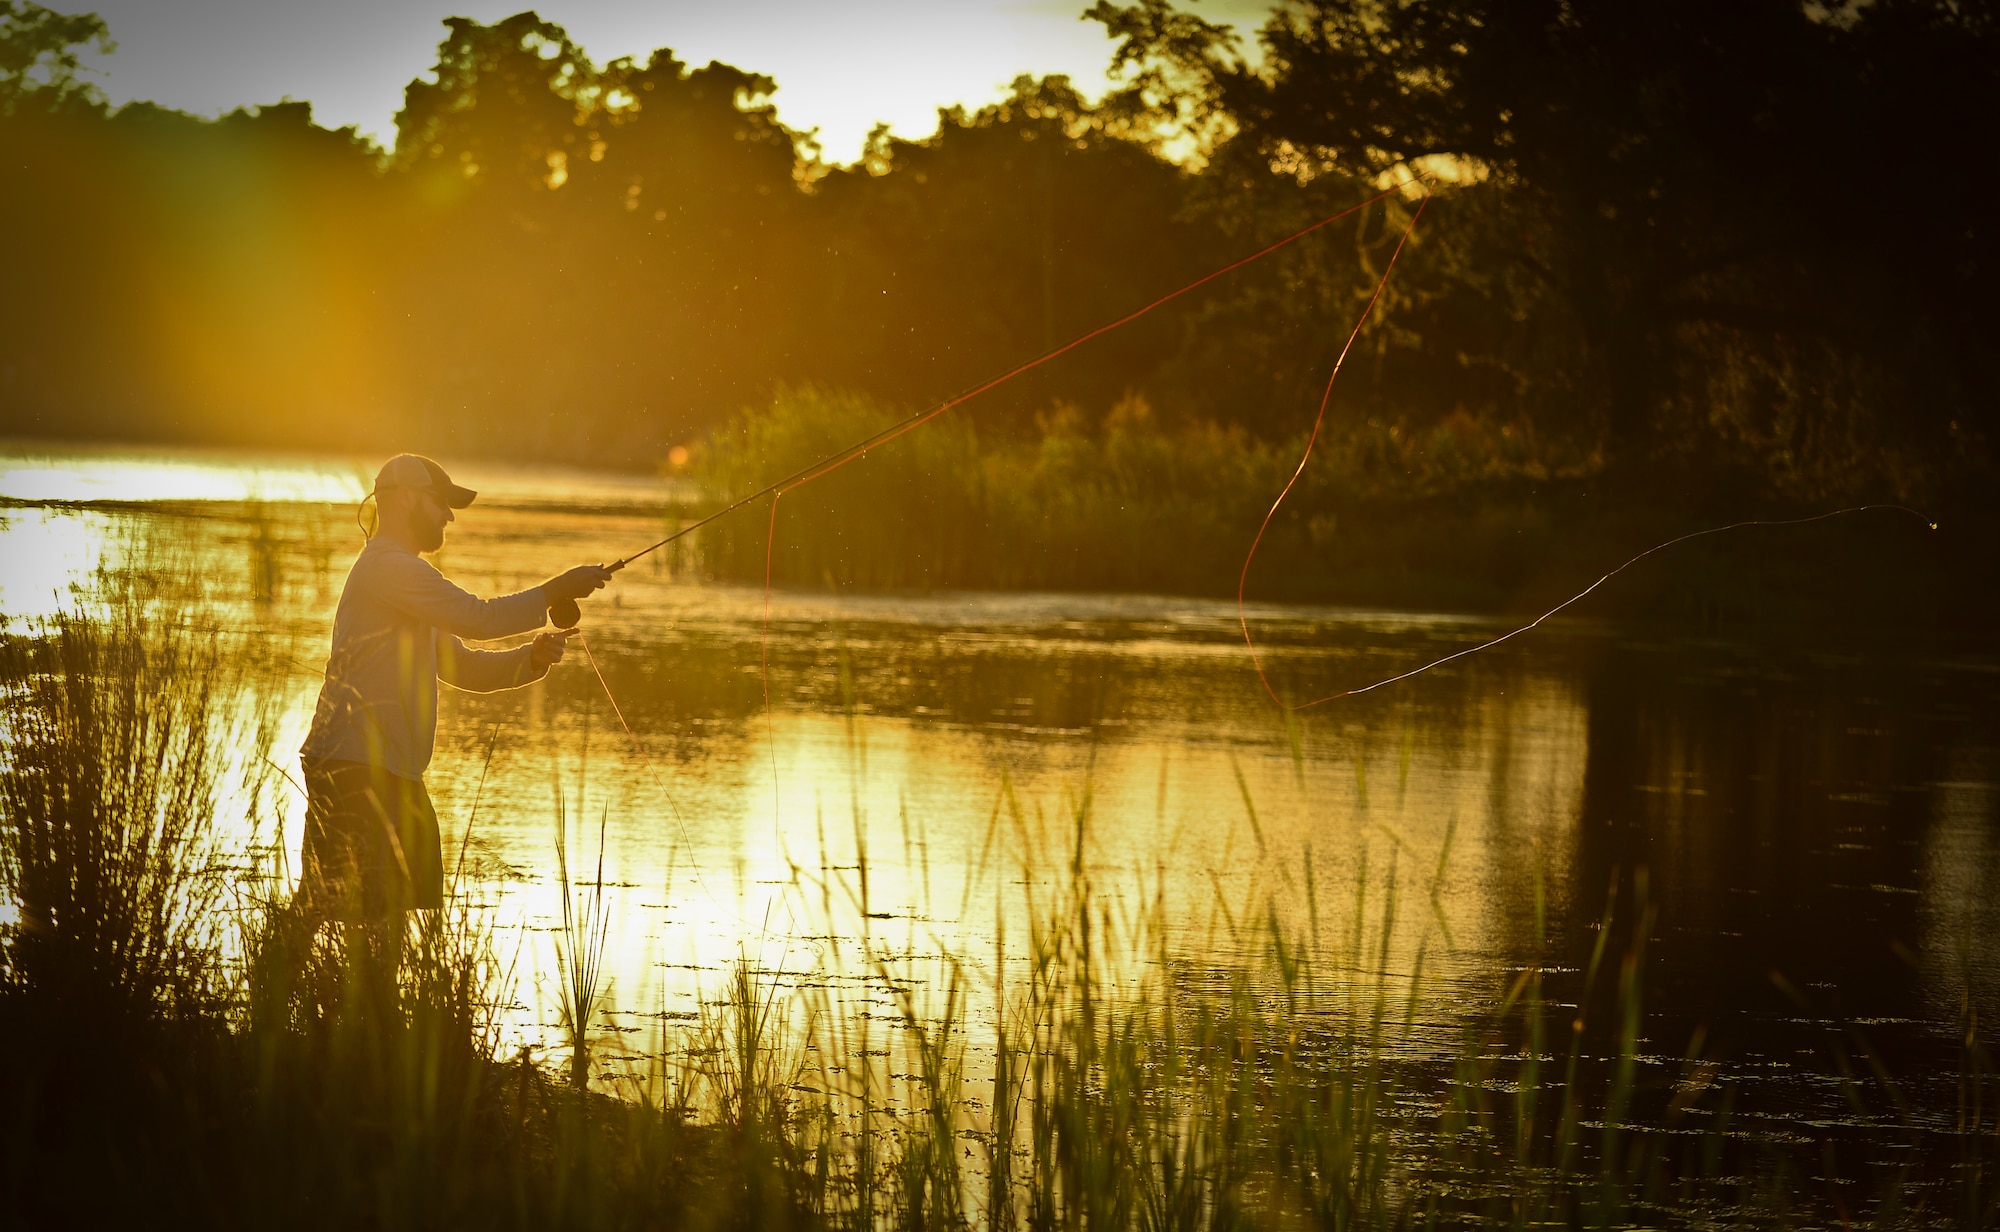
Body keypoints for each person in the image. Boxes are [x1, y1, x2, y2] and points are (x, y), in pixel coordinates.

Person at [273, 453, 612, 1022]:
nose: (448, 520)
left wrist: (528, 662)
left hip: (387, 768)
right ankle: (276, 1016)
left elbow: (461, 664)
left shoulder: (406, 578)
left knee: (389, 906)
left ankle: (361, 1026)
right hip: (353, 762)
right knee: (330, 903)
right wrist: (558, 588)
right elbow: (479, 615)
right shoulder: (387, 567)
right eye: (441, 504)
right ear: (405, 497)